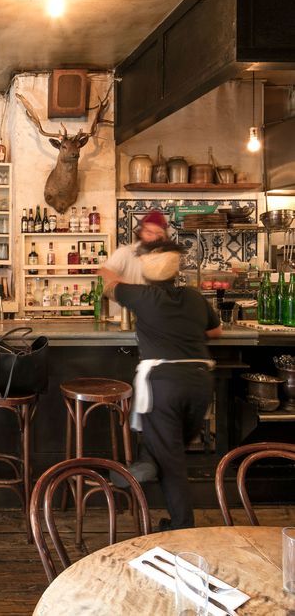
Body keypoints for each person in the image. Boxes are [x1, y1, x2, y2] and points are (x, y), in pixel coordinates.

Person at [106, 241, 222, 531]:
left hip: (164, 385)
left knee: (171, 460)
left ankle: (181, 527)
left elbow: (109, 286)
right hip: (200, 382)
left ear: (146, 271)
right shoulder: (194, 297)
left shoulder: (141, 295)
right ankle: (148, 461)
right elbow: (216, 331)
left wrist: (116, 267)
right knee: (171, 447)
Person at [99, 209, 169, 286]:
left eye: (159, 234)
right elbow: (104, 272)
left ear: (165, 237)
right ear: (141, 233)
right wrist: (130, 289)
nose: (154, 238)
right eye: (149, 233)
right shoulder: (125, 252)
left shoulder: (166, 258)